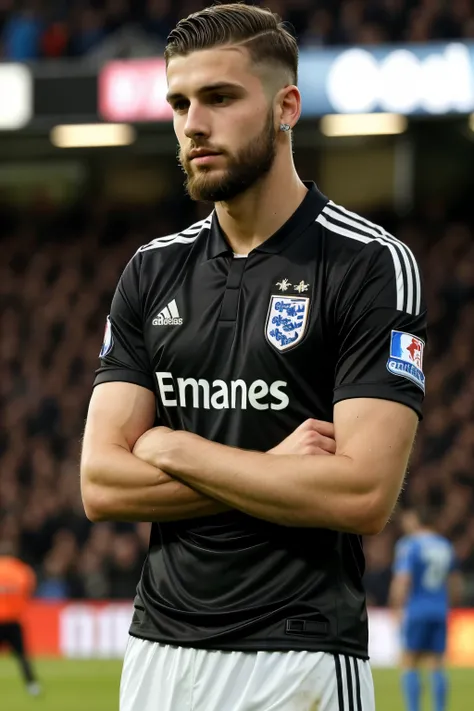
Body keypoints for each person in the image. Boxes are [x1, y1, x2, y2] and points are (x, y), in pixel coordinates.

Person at [80, 3, 427, 710]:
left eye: (219, 97)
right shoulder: (151, 270)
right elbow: (101, 483)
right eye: (179, 103)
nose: (192, 124)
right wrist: (271, 471)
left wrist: (169, 443)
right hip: (156, 655)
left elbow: (361, 493)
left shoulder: (369, 265)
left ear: (285, 107)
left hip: (297, 653)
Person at [390, 508, 462, 711]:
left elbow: (403, 579)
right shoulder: (445, 545)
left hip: (416, 610)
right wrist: (450, 605)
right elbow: (455, 582)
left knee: (409, 661)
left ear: (417, 521)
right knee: (437, 663)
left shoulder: (410, 544)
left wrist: (396, 607)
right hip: (440, 610)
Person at [0, 544, 41, 696]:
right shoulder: (22, 570)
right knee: (22, 657)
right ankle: (32, 686)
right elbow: (29, 590)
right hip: (13, 621)